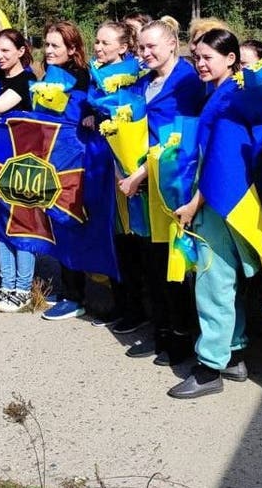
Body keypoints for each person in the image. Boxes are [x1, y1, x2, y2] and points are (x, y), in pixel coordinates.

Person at [167, 28, 256, 398]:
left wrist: (194, 203)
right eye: (197, 58)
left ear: (231, 59)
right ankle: (232, 354)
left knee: (211, 281)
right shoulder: (222, 92)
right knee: (225, 280)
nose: (201, 64)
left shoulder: (230, 98)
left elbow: (222, 163)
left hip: (219, 202)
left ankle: (209, 368)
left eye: (208, 58)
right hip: (223, 201)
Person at [118, 19, 205, 364]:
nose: (146, 53)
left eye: (153, 46)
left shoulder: (187, 82)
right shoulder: (143, 83)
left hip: (173, 185)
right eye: (141, 47)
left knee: (175, 266)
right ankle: (162, 333)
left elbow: (181, 139)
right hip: (143, 186)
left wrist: (139, 174)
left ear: (173, 44)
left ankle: (182, 338)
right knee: (152, 262)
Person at [89, 20, 151, 334]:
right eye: (96, 42)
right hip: (105, 167)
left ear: (123, 47)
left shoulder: (136, 75)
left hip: (132, 169)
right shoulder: (95, 76)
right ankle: (123, 304)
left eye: (105, 42)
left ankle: (142, 309)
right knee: (116, 241)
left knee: (136, 242)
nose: (98, 48)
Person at [0, 29, 38, 312]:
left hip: (25, 163)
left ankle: (23, 290)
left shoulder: (27, 82)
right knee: (2, 224)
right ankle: (6, 286)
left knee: (23, 224)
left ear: (21, 51)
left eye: (6, 51)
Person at [39, 20, 93, 321]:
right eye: (46, 44)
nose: (48, 50)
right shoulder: (49, 76)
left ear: (72, 49)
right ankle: (67, 287)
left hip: (74, 161)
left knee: (71, 224)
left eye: (55, 45)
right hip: (53, 159)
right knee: (58, 225)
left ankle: (76, 296)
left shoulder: (82, 79)